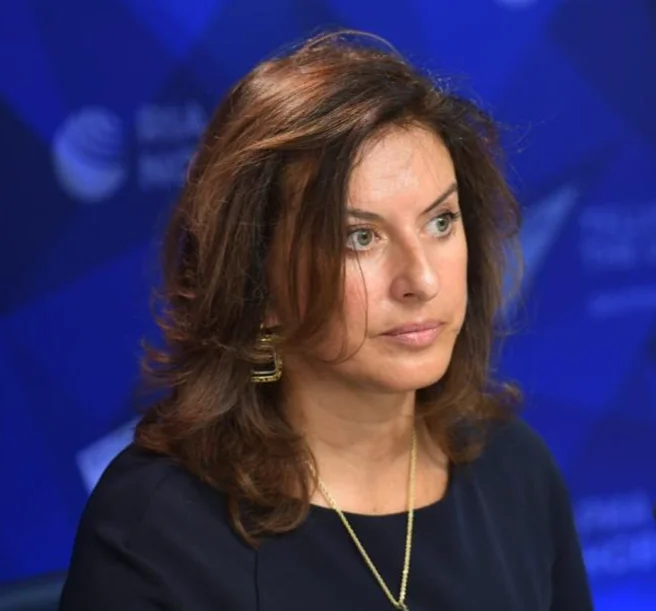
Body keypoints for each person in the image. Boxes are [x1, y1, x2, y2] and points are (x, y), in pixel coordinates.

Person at [59, 30, 593, 611]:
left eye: (440, 222)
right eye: (359, 238)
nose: (422, 280)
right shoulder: (156, 531)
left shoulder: (516, 469)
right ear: (256, 279)